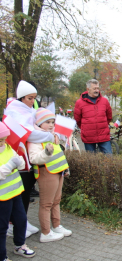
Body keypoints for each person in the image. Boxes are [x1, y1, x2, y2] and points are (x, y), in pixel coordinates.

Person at [4, 80, 58, 238]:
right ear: (21, 98)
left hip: (26, 156)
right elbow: (29, 133)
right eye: (29, 98)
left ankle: (22, 221)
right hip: (18, 157)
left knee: (26, 191)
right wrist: (49, 135)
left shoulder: (25, 110)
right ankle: (12, 224)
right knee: (21, 191)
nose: (32, 101)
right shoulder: (15, 111)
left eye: (34, 98)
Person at [28, 108, 72, 243]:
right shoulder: (35, 137)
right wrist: (46, 152)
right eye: (48, 122)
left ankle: (57, 226)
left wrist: (65, 169)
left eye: (53, 121)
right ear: (39, 123)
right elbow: (34, 158)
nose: (52, 124)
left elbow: (59, 154)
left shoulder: (53, 135)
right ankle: (46, 232)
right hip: (47, 173)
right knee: (46, 204)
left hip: (58, 172)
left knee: (56, 201)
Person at [0, 122, 36, 260]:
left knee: (21, 220)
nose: (3, 143)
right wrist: (10, 164)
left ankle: (20, 245)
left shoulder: (8, 146)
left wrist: (19, 162)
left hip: (15, 192)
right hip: (2, 197)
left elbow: (19, 162)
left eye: (4, 139)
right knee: (2, 227)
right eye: (0, 140)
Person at [74, 79, 113, 154]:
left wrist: (103, 125)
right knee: (91, 162)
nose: (97, 90)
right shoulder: (79, 103)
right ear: (88, 89)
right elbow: (78, 119)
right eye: (94, 88)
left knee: (109, 159)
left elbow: (109, 117)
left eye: (98, 88)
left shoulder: (105, 101)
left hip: (103, 136)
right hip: (88, 137)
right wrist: (86, 128)